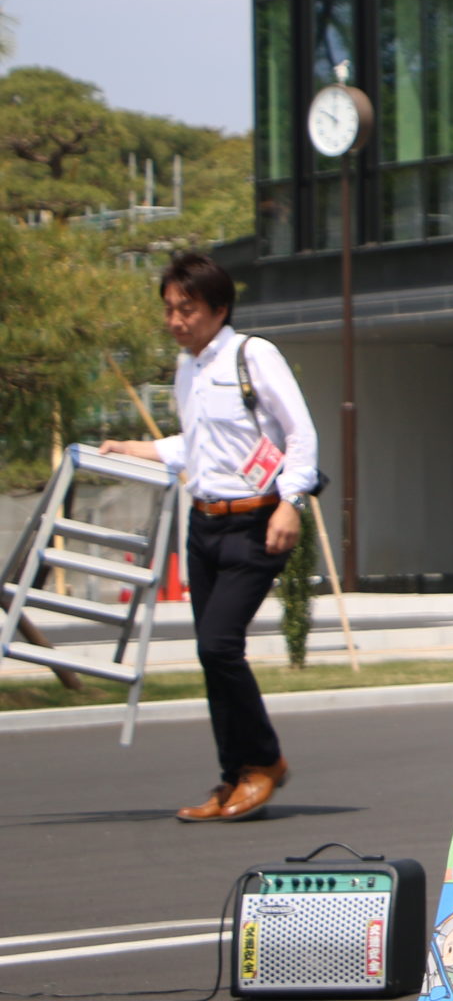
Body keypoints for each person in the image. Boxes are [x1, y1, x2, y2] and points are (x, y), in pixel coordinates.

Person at [103, 251, 317, 824]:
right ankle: (233, 776)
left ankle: (266, 763)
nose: (176, 320)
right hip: (204, 522)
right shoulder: (187, 367)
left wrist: (291, 504)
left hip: (257, 521)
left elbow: (300, 434)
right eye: (169, 309)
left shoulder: (254, 355)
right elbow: (193, 447)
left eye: (187, 309)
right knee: (212, 655)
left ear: (219, 308)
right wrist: (134, 448)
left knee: (218, 645)